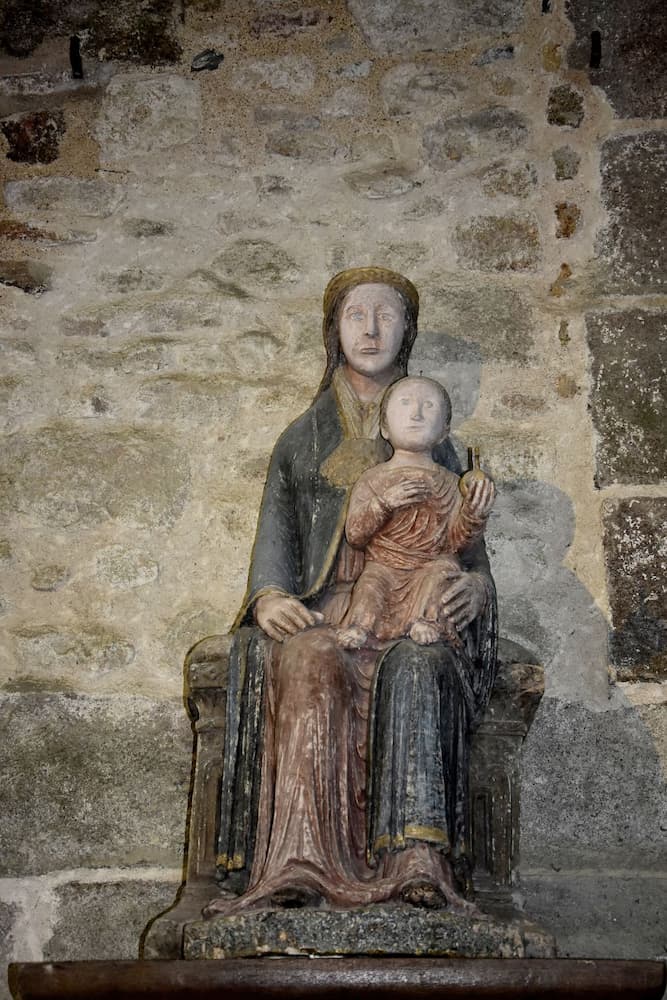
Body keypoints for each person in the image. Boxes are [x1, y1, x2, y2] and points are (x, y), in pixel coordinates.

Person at [205, 267, 497, 916]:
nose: (369, 329)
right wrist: (269, 596)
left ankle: (417, 862)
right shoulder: (302, 439)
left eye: (385, 315)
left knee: (420, 669)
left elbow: (468, 550)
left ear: (407, 330)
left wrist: (474, 590)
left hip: (416, 607)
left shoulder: (439, 444)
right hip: (334, 606)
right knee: (307, 662)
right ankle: (297, 865)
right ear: (334, 332)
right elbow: (276, 534)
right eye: (355, 315)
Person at [337, 375, 495, 651]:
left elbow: (457, 543)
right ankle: (360, 625)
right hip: (384, 566)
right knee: (371, 584)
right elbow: (355, 535)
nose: (416, 414)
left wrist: (474, 515)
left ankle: (429, 620)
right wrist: (383, 503)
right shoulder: (372, 480)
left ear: (444, 431)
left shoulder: (449, 483)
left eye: (429, 406)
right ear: (384, 427)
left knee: (443, 573)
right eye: (406, 403)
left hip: (429, 565)